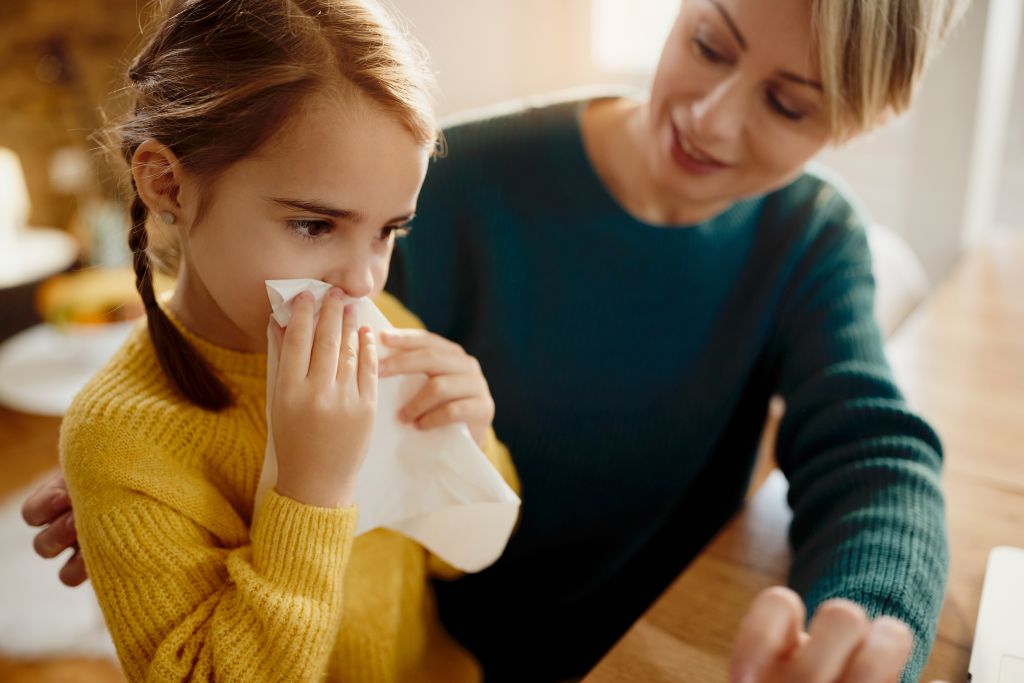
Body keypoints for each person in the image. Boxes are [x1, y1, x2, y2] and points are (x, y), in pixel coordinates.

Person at [25, 0, 968, 681]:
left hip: (635, 640)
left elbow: (873, 453)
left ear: (856, 122)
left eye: (790, 104)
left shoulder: (808, 241)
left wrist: (864, 633)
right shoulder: (417, 170)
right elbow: (222, 366)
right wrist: (151, 496)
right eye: (709, 41)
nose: (712, 117)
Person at [20, 0, 519, 681]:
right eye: (315, 225)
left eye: (389, 231)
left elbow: (457, 553)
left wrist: (471, 439)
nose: (362, 280)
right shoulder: (123, 438)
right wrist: (309, 488)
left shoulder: (389, 325)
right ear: (167, 185)